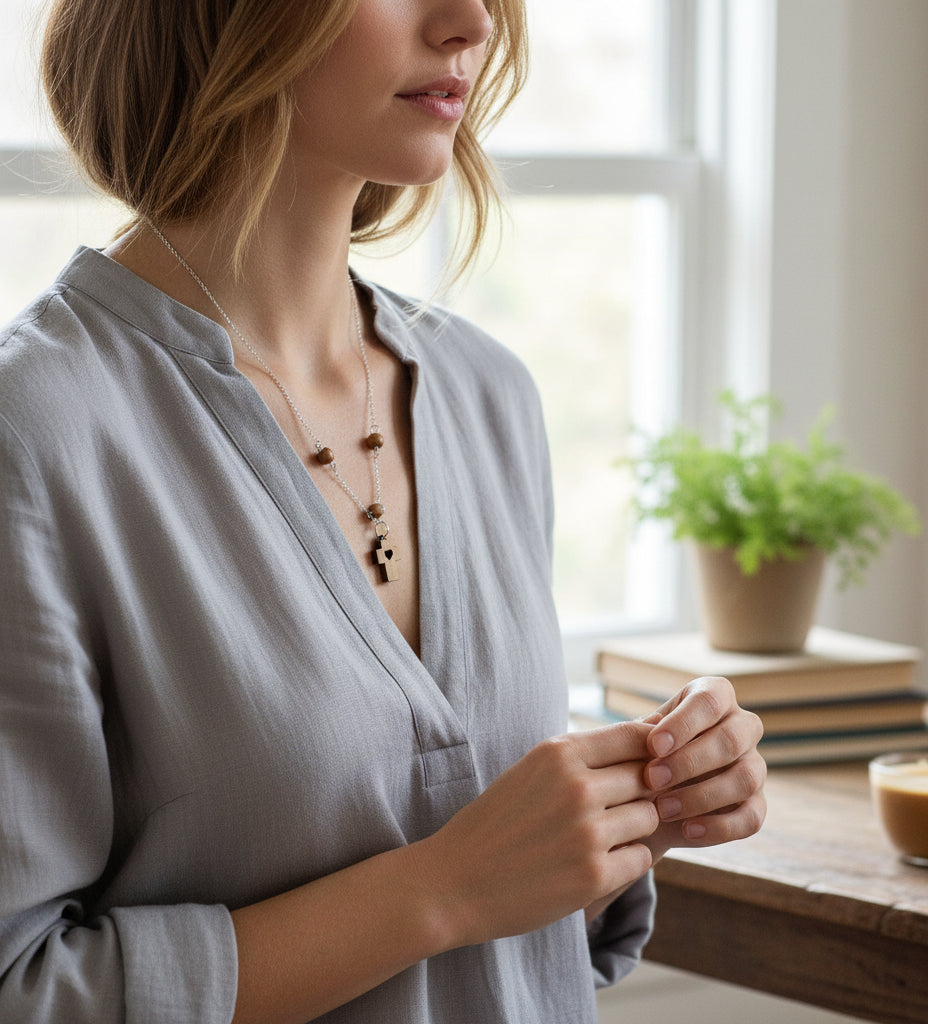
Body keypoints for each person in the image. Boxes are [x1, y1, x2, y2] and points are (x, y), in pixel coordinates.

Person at [0, 1, 767, 1021]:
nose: (470, 24)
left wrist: (629, 816)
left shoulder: (487, 393)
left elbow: (505, 961)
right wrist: (440, 891)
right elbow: (25, 990)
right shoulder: (37, 434)